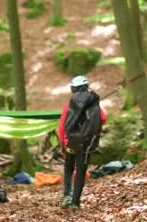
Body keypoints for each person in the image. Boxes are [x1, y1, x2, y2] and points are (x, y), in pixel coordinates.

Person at [58, 75, 107, 209]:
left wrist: (63, 144)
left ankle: (67, 195)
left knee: (68, 168)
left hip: (71, 143)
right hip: (86, 144)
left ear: (73, 89)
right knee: (80, 172)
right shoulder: (94, 105)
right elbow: (103, 118)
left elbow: (62, 127)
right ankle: (75, 202)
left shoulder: (69, 105)